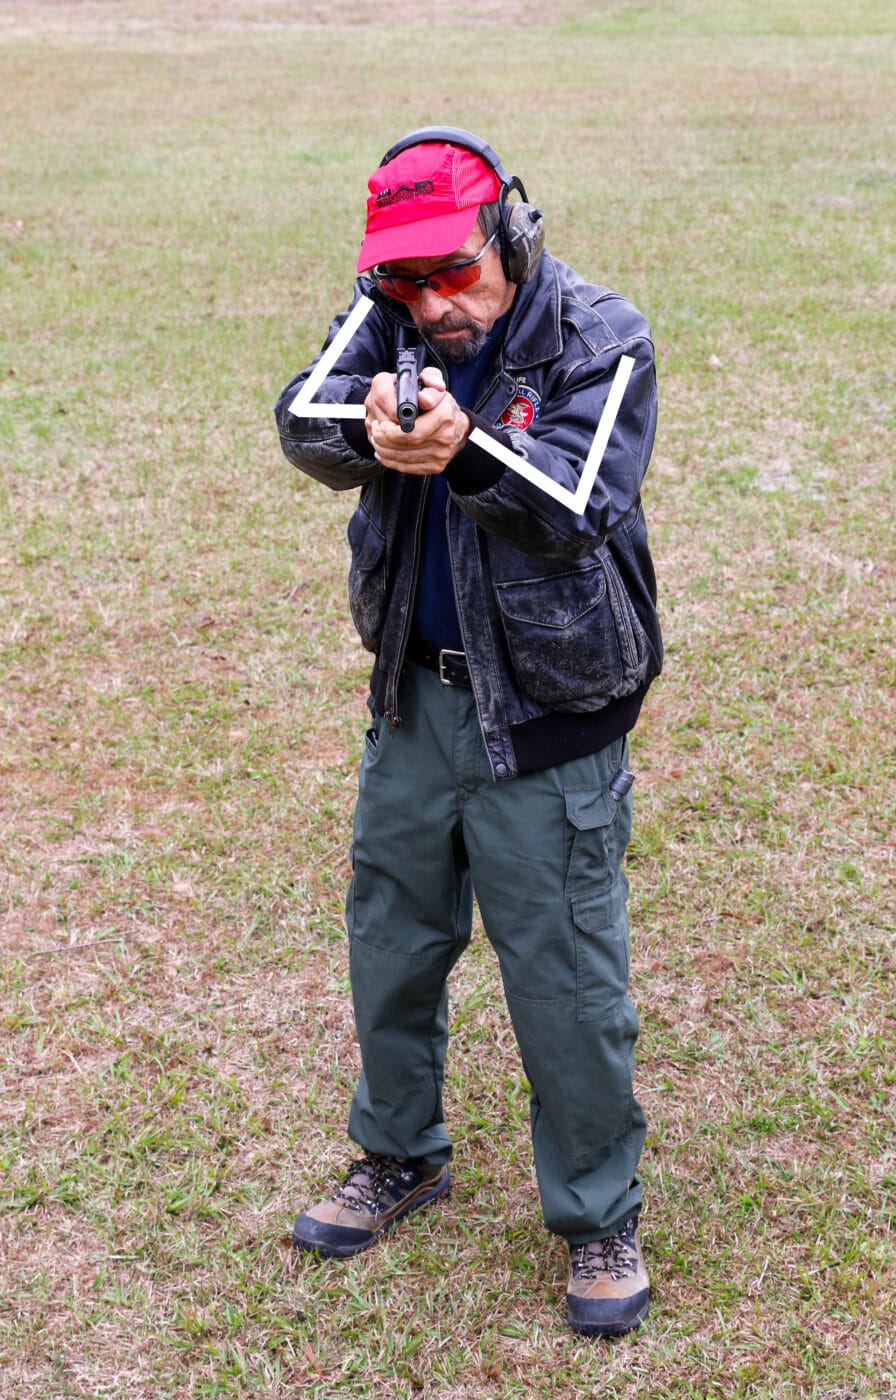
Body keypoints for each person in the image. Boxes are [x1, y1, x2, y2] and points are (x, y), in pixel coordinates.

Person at [273, 126, 663, 1338]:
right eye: (404, 277)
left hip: (550, 721)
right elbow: (300, 415)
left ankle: (599, 1214)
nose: (434, 301)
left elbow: (579, 503)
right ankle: (401, 1153)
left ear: (514, 232)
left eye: (453, 269)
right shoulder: (389, 316)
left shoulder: (603, 335)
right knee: (391, 943)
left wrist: (467, 447)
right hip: (414, 702)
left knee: (564, 984)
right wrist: (377, 429)